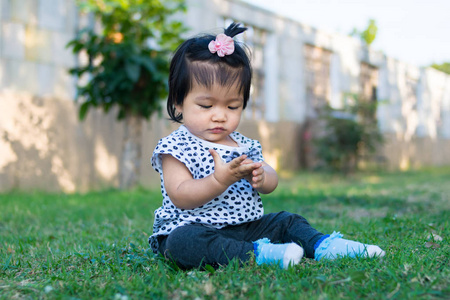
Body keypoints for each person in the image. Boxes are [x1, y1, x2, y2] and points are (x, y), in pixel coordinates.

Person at [149, 23, 385, 269]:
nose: (220, 116)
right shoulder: (175, 146)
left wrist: (263, 176)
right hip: (195, 229)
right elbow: (180, 195)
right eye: (206, 106)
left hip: (247, 228)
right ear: (178, 102)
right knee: (182, 243)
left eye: (232, 106)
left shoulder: (243, 144)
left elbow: (270, 183)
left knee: (287, 221)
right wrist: (219, 180)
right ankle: (259, 255)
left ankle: (324, 246)